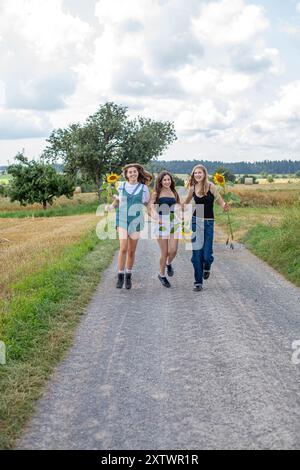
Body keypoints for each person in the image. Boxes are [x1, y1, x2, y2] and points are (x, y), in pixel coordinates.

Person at [183, 164, 229, 292]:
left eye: (200, 173)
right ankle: (198, 282)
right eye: (195, 173)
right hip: (196, 220)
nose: (197, 175)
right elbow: (186, 202)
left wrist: (224, 205)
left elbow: (219, 200)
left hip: (208, 221)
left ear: (204, 174)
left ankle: (207, 265)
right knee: (197, 254)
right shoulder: (192, 188)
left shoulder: (211, 186)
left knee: (207, 255)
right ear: (193, 175)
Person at [110, 163, 152, 289]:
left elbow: (147, 204)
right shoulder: (121, 185)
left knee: (132, 250)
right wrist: (111, 206)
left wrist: (154, 216)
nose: (133, 173)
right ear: (126, 175)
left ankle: (128, 275)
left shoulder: (144, 188)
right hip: (122, 219)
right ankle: (120, 275)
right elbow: (118, 200)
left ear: (138, 173)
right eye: (130, 172)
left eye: (135, 171)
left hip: (136, 220)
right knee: (123, 247)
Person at [149, 171, 181, 288]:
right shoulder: (156, 193)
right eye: (164, 180)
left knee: (173, 250)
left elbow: (178, 205)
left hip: (173, 222)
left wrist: (180, 213)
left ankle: (168, 263)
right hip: (161, 223)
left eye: (169, 180)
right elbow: (151, 206)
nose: (167, 182)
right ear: (160, 181)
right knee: (165, 252)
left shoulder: (174, 192)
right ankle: (161, 275)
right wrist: (155, 215)